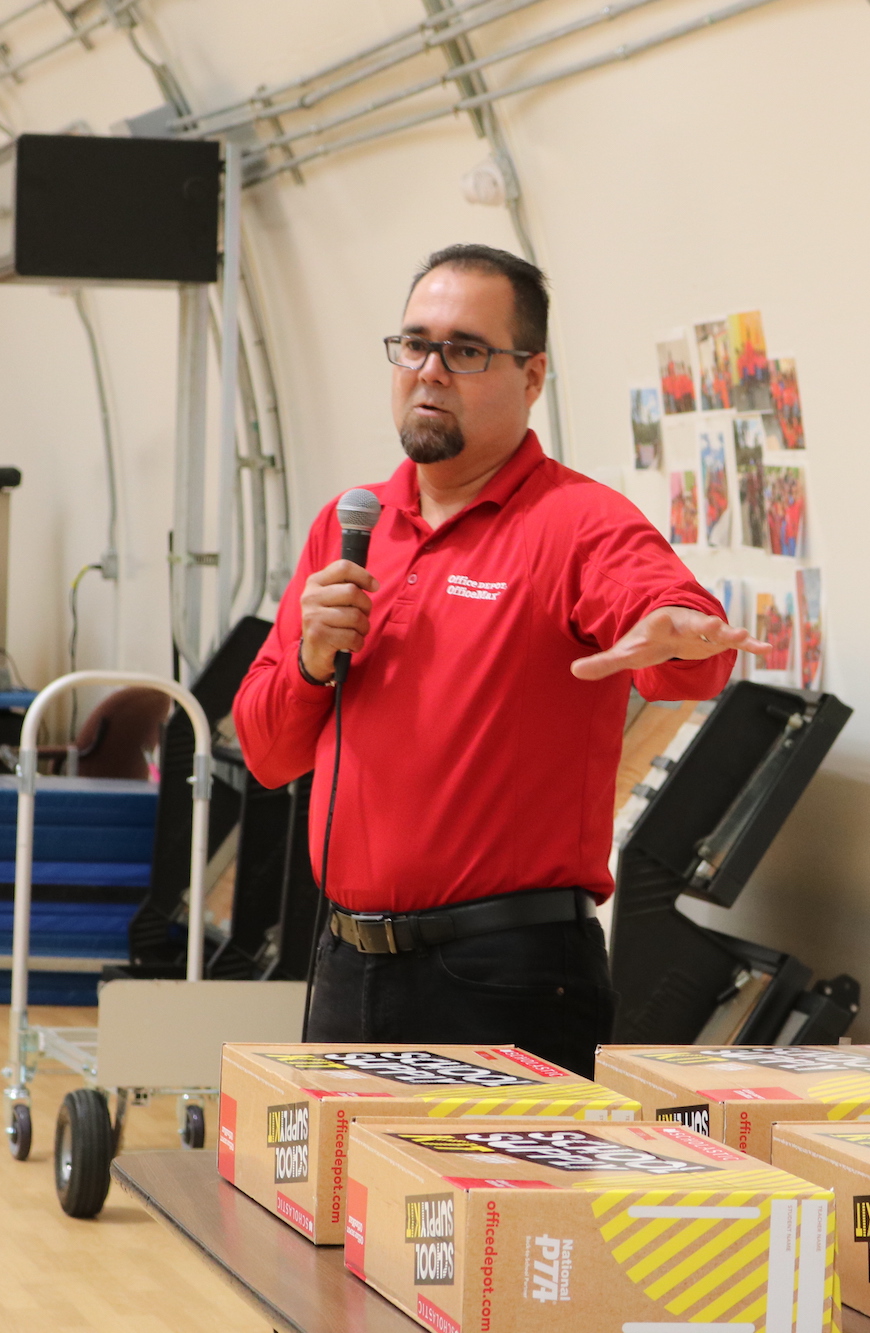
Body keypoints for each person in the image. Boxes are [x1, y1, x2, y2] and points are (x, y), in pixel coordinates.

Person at [233, 243, 767, 1075]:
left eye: (466, 349)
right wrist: (308, 658)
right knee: (332, 1210)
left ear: (532, 375)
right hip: (342, 962)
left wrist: (679, 629)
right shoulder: (349, 526)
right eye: (414, 343)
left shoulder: (577, 521)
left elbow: (675, 636)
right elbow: (266, 756)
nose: (431, 369)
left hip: (500, 978)